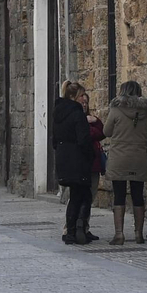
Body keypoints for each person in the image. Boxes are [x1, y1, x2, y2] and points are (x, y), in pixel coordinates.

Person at [102, 80, 147, 246]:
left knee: (119, 195)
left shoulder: (116, 109)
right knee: (138, 194)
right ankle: (139, 234)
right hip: (138, 156)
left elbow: (106, 131)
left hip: (119, 157)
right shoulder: (146, 111)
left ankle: (119, 235)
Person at [52, 80, 93, 244]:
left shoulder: (58, 113)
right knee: (82, 195)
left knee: (76, 195)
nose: (84, 98)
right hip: (77, 158)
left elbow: (54, 139)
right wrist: (90, 155)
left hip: (64, 157)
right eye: (82, 95)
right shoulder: (77, 114)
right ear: (74, 96)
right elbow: (83, 139)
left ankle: (72, 230)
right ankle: (77, 229)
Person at [78, 89, 104, 242]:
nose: (84, 105)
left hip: (93, 164)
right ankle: (72, 227)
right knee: (78, 198)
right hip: (81, 164)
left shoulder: (90, 119)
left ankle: (85, 227)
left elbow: (102, 132)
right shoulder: (76, 120)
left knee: (90, 197)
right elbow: (90, 135)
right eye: (82, 102)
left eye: (86, 103)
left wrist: (95, 121)